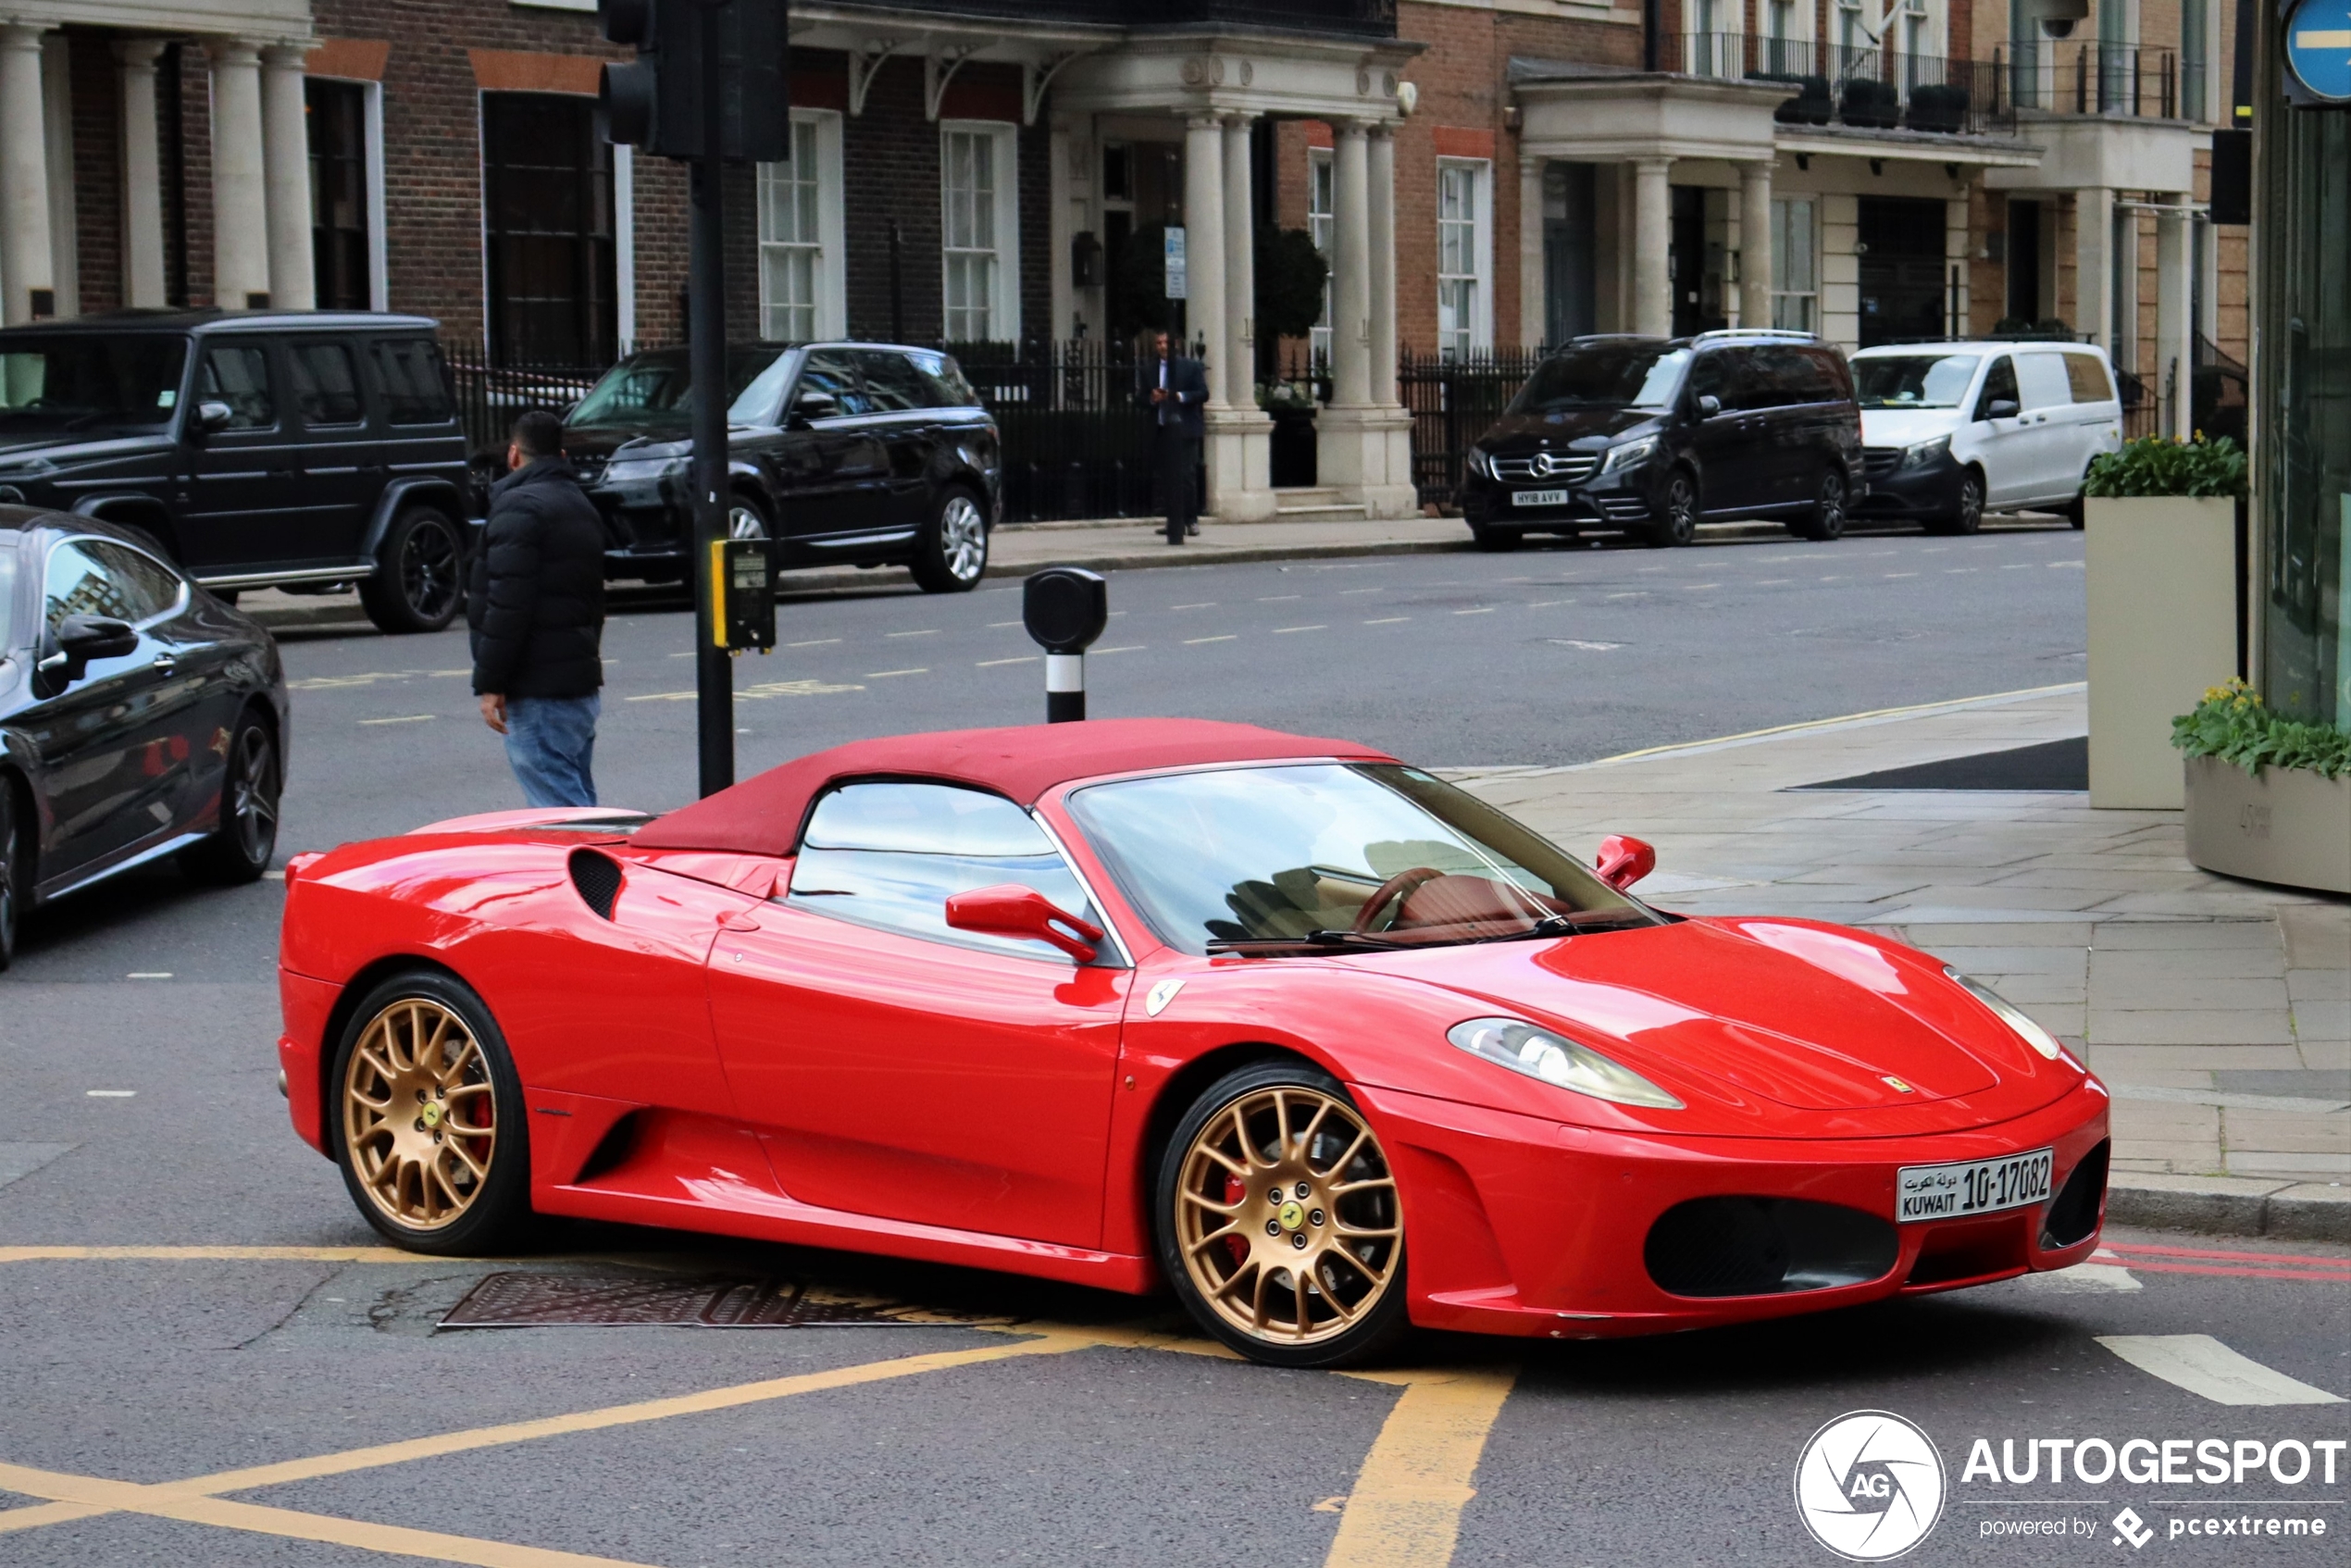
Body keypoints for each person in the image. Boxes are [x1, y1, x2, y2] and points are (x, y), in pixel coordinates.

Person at [471, 408, 608, 808]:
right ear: (561, 456)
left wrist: (492, 682)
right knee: (580, 807)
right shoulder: (580, 505)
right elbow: (593, 600)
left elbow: (507, 605)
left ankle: (595, 873)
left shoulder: (519, 509)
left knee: (562, 820)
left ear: (514, 455)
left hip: (538, 689)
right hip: (576, 685)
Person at [1150, 330, 1207, 545]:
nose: (1162, 346)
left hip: (1185, 428)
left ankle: (1190, 519)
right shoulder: (1150, 368)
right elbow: (1140, 396)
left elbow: (1203, 393)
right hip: (1162, 427)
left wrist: (1178, 396)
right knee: (1166, 477)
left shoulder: (1190, 367)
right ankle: (1173, 520)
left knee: (1186, 476)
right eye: (1159, 342)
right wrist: (1151, 398)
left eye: (1166, 342)